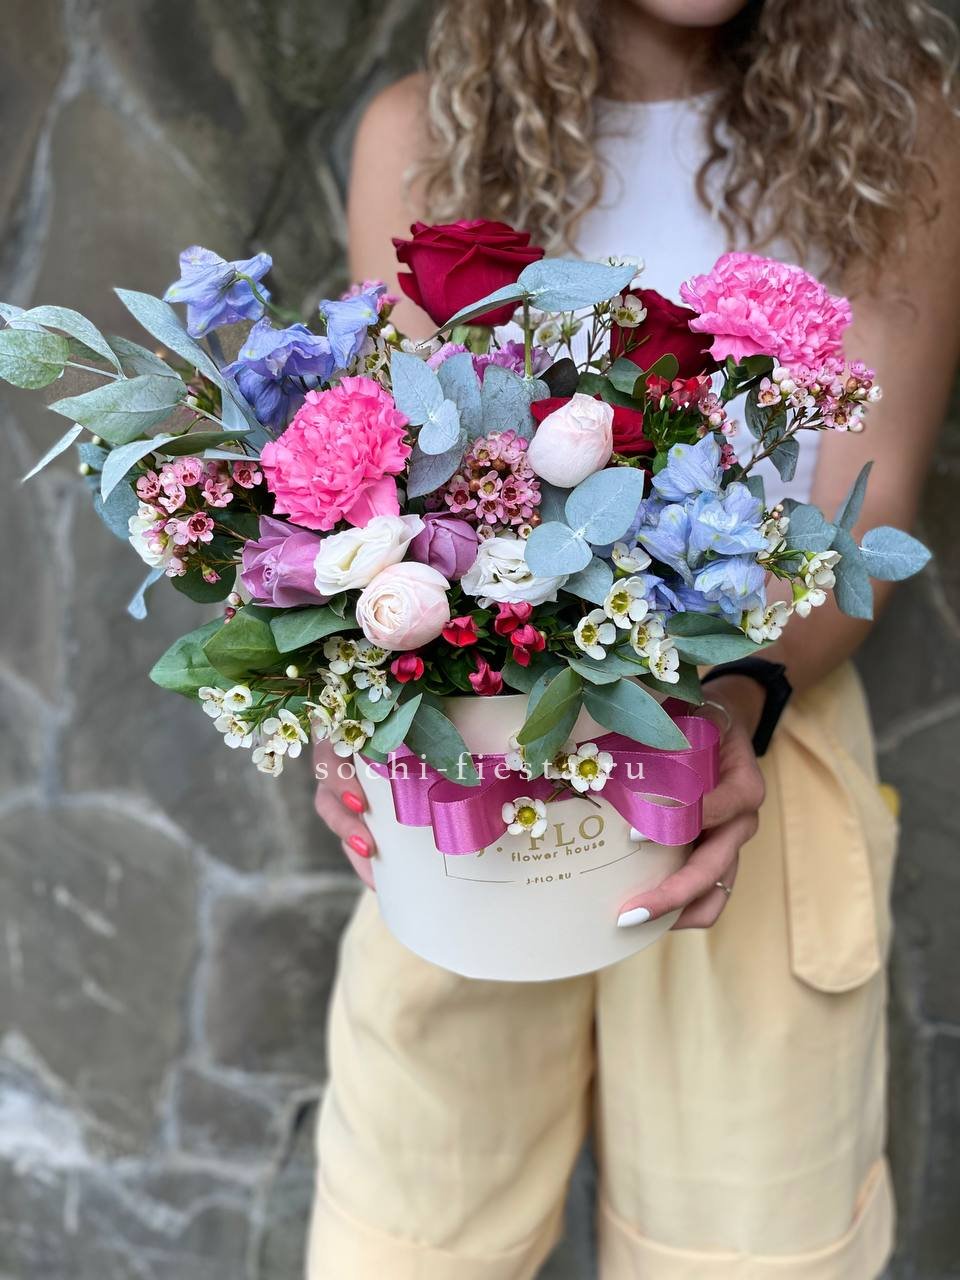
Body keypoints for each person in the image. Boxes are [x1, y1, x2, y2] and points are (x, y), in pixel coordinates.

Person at [308, 2, 960, 1276]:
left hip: (749, 757)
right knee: (405, 1244)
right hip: (473, 766)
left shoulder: (898, 130)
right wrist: (350, 709)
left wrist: (727, 708)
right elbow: (387, 501)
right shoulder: (424, 135)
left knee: (744, 1253)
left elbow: (865, 513)